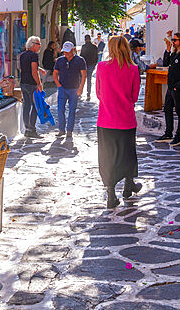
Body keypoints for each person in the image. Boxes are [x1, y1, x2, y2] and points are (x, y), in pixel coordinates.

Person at [96, 36, 142, 208]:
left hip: (106, 120)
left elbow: (99, 93)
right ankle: (128, 185)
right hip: (126, 120)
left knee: (108, 155)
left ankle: (110, 193)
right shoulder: (133, 69)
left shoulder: (102, 67)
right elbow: (134, 96)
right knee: (128, 153)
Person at [157, 32, 180, 144]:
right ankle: (168, 133)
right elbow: (165, 63)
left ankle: (179, 135)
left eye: (174, 40)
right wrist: (167, 50)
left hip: (178, 88)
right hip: (171, 86)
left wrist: (178, 87)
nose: (172, 42)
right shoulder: (175, 53)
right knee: (167, 108)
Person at [52, 41, 86, 141]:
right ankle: (61, 130)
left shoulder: (80, 60)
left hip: (74, 89)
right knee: (60, 110)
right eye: (64, 52)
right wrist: (58, 85)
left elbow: (83, 75)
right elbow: (55, 73)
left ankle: (69, 131)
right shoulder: (60, 60)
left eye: (67, 51)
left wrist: (81, 88)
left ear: (73, 50)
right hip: (62, 89)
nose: (65, 54)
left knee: (72, 111)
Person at [18, 36, 44, 138]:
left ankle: (27, 129)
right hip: (32, 84)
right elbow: (34, 71)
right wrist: (39, 83)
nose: (39, 47)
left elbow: (27, 67)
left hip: (23, 82)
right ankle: (32, 129)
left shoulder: (23, 55)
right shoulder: (34, 56)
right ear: (33, 45)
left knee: (26, 105)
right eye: (38, 44)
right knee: (35, 106)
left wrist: (39, 69)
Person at [80, 34, 100, 100]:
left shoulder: (83, 46)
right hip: (91, 64)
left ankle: (80, 93)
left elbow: (81, 56)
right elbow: (96, 57)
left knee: (81, 79)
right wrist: (94, 65)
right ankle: (88, 94)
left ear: (85, 39)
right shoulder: (94, 47)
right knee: (89, 79)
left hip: (84, 65)